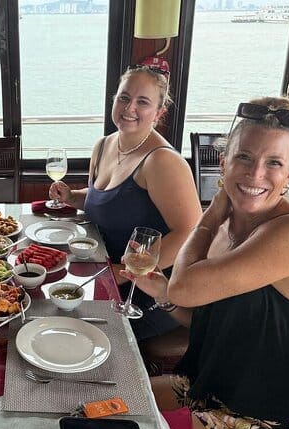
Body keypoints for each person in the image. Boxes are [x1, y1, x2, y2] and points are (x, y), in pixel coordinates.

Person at [123, 96, 289, 429]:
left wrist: (210, 214)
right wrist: (162, 292)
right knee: (99, 408)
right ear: (224, 162)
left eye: (274, 163)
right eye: (244, 157)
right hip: (202, 390)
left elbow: (185, 288)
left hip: (262, 427)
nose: (255, 174)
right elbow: (200, 313)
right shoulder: (228, 227)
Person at [49, 65, 202, 340]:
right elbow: (105, 202)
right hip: (105, 272)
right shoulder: (103, 145)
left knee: (79, 335)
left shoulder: (162, 161)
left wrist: (128, 270)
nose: (130, 108)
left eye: (142, 102)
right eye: (124, 97)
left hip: (148, 291)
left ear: (159, 113)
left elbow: (190, 232)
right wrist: (72, 197)